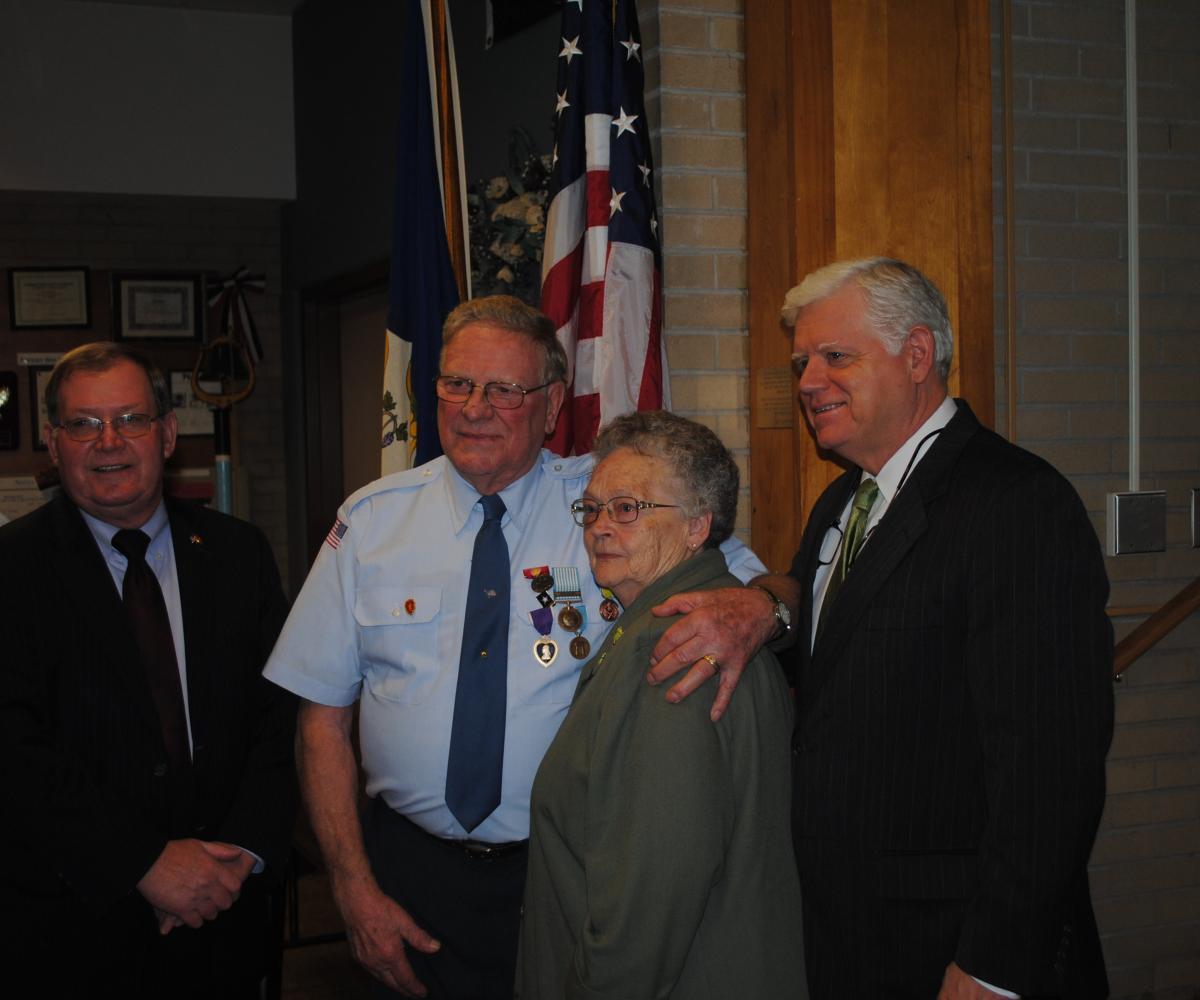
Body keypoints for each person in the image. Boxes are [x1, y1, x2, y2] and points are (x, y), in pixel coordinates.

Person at [263, 295, 768, 999]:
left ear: (553, 401)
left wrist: (761, 606)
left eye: (506, 389)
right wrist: (350, 888)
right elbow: (320, 721)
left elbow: (745, 586)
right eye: (457, 384)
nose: (475, 408)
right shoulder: (371, 522)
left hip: (565, 869)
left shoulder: (611, 510)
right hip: (410, 872)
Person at [654, 257, 1114, 999]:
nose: (807, 382)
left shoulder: (1016, 506)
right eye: (803, 360)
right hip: (846, 933)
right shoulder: (842, 506)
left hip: (953, 944)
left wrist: (994, 965)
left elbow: (1049, 771)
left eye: (836, 356)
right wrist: (765, 604)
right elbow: (830, 650)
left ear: (918, 356)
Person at [0, 343, 297, 997]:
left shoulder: (237, 553)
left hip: (226, 914)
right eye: (83, 424)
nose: (109, 442)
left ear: (166, 435)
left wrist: (240, 854)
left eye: (130, 419)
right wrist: (141, 862)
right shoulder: (13, 570)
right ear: (54, 443)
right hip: (72, 927)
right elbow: (13, 752)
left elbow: (281, 718)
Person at [516, 410, 806, 999]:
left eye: (628, 509)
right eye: (591, 508)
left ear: (698, 527)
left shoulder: (679, 644)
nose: (599, 526)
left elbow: (653, 897)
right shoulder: (696, 623)